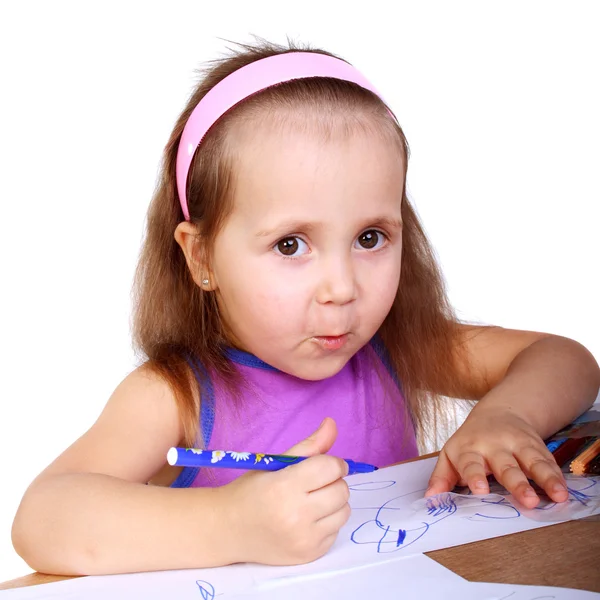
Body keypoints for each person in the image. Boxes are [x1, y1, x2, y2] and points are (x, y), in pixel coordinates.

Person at [11, 40, 599, 576]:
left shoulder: (391, 348)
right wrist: (229, 523)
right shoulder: (178, 393)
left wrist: (508, 416)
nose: (342, 287)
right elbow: (42, 518)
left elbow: (564, 359)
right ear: (202, 258)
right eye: (291, 245)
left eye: (370, 237)